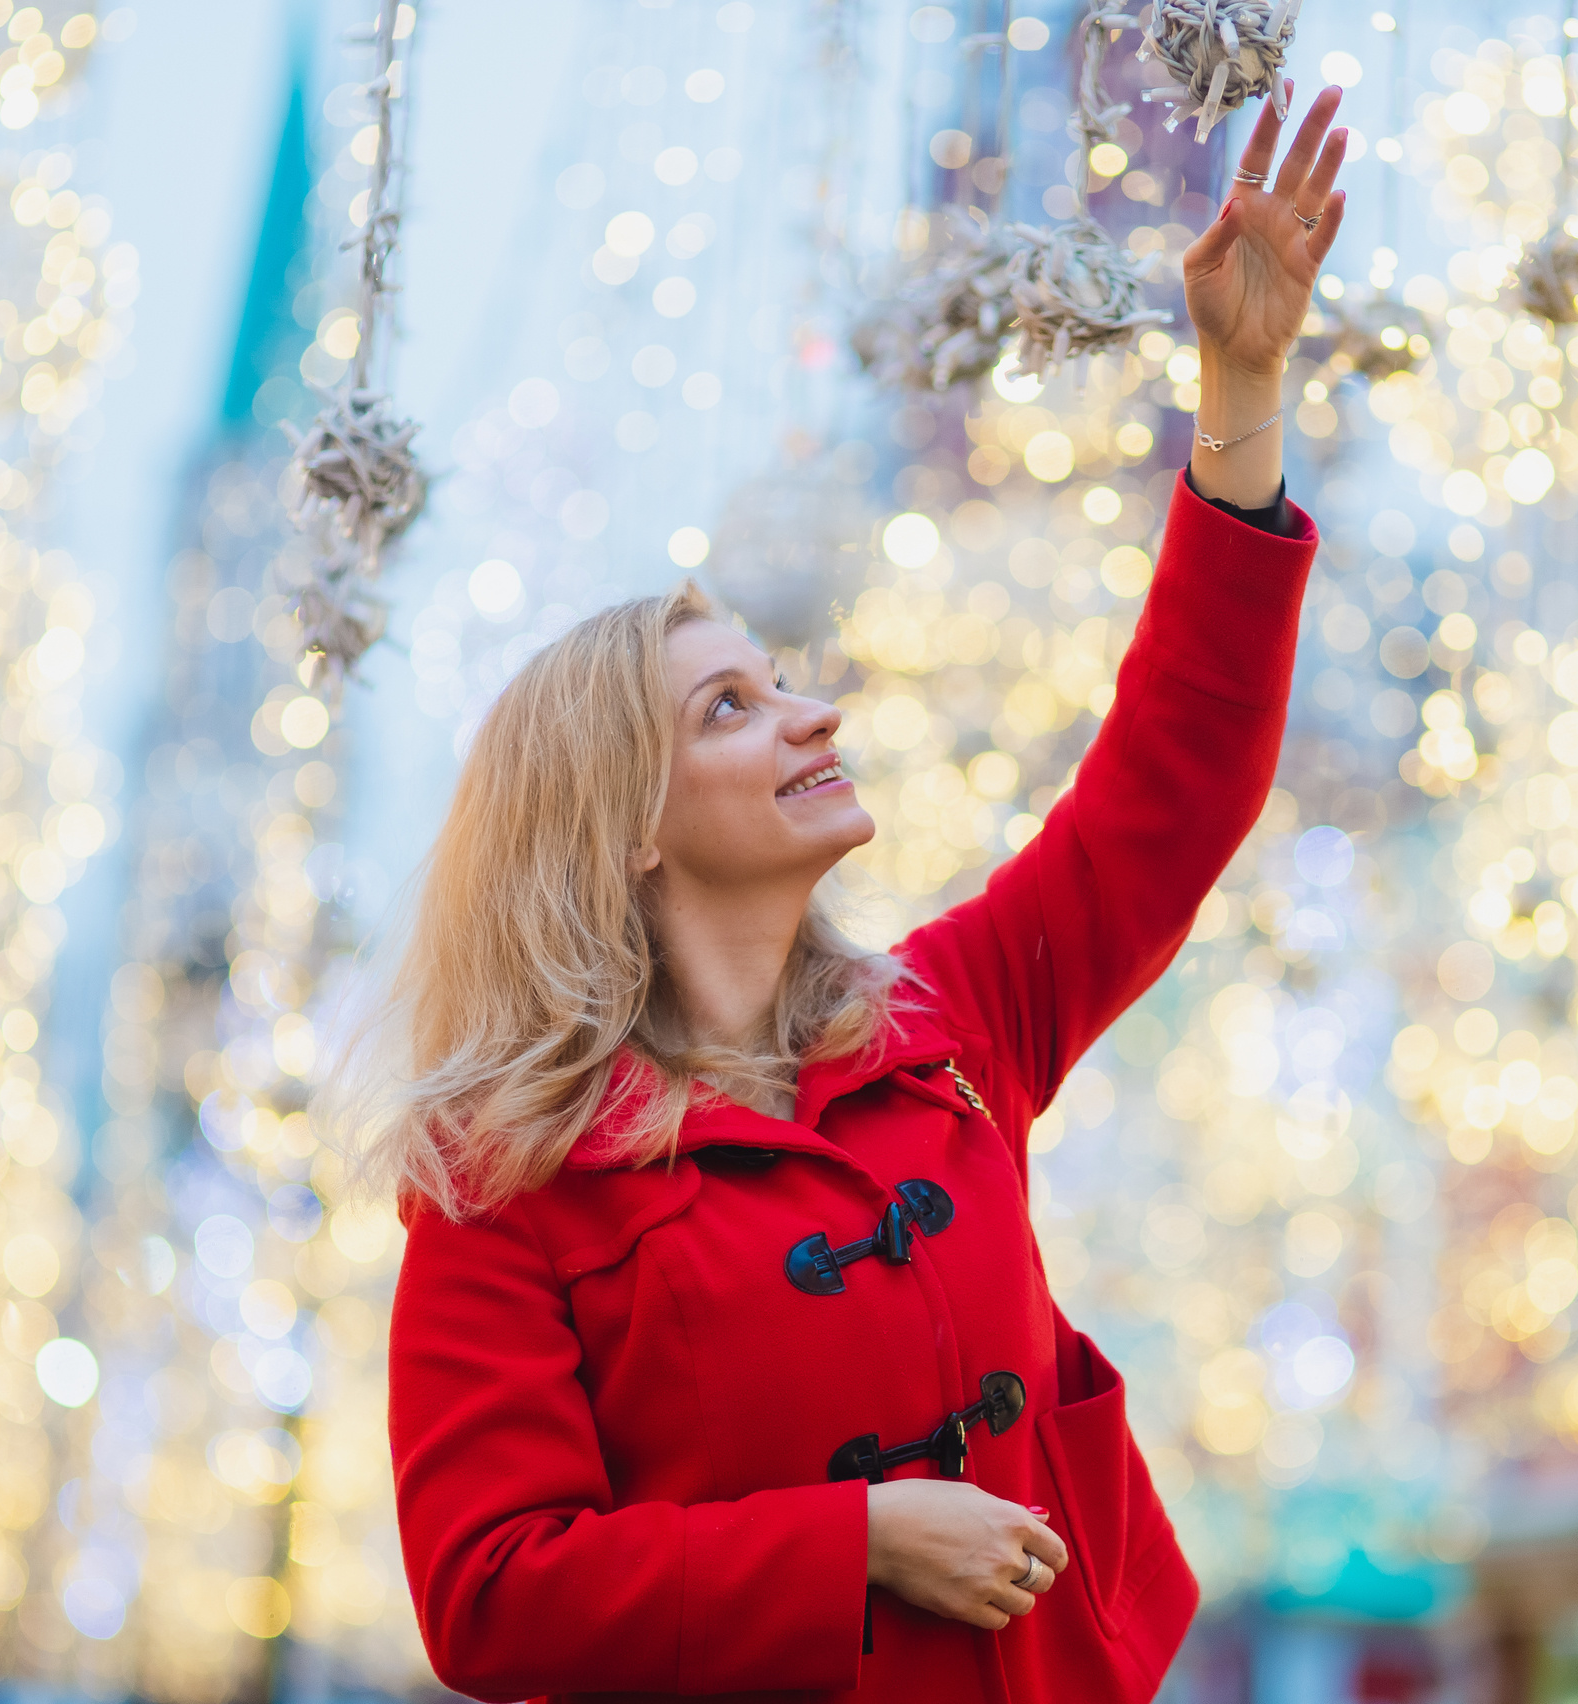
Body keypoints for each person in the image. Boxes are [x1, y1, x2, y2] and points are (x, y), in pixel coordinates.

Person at [337, 84, 1348, 1704]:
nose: (809, 713)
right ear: (625, 825)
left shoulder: (952, 1021)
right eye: (730, 706)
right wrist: (855, 1539)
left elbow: (1177, 782)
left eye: (783, 677)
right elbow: (489, 1593)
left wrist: (1241, 386)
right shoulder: (503, 1182)